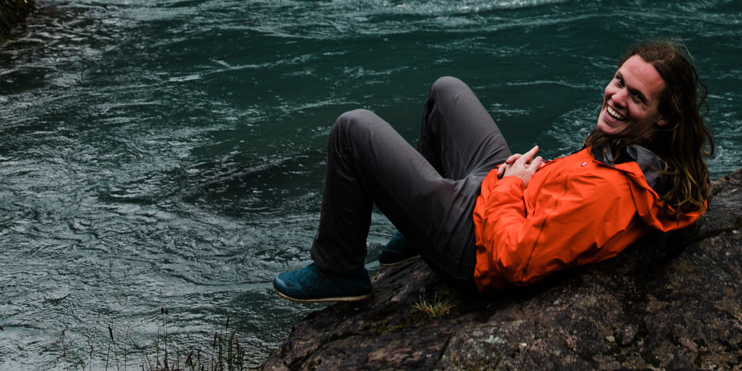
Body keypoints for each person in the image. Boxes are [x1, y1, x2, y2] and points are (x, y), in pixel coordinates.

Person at [273, 40, 715, 302]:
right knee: (447, 92)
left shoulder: (615, 194)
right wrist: (530, 174)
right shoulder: (638, 153)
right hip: (499, 197)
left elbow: (514, 261)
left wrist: (510, 189)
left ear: (662, 119)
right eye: (619, 80)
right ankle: (413, 232)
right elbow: (565, 199)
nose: (617, 96)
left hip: (473, 244)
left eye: (636, 97)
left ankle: (338, 273)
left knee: (353, 129)